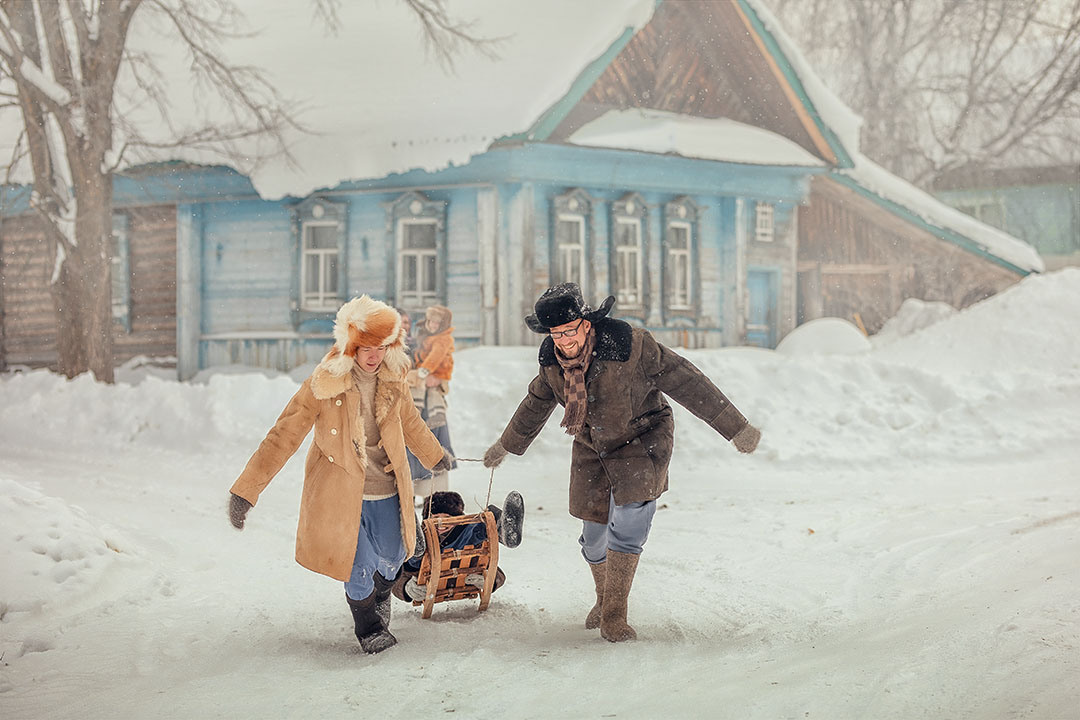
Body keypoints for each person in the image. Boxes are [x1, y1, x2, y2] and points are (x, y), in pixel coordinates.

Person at [482, 283, 761, 643]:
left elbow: (688, 381)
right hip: (591, 447)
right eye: (555, 333)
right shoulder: (552, 364)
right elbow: (535, 403)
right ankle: (604, 597)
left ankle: (614, 614)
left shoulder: (633, 347)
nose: (563, 340)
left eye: (569, 331)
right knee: (594, 540)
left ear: (587, 324)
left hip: (642, 439)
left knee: (628, 525)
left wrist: (736, 427)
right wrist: (506, 445)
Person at [227, 295, 453, 655]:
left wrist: (436, 456)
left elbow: (411, 423)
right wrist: (246, 491)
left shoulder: (394, 381)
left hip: (388, 490)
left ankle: (380, 592)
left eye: (381, 347)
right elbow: (283, 435)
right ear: (350, 344)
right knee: (357, 564)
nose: (374, 356)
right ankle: (367, 625)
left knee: (395, 557)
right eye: (365, 347)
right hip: (341, 494)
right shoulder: (325, 383)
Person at [391, 490, 525, 603]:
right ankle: (410, 531)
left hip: (461, 546)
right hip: (424, 558)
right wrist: (406, 588)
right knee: (411, 556)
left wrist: (489, 580)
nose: (441, 522)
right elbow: (397, 577)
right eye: (435, 516)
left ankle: (505, 529)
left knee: (483, 521)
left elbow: (496, 571)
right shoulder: (425, 535)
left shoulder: (465, 531)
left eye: (447, 517)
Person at [406, 305, 457, 501]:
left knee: (436, 443)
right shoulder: (406, 344)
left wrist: (431, 376)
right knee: (413, 444)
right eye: (430, 321)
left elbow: (437, 359)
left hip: (430, 399)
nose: (433, 325)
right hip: (413, 401)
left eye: (407, 323)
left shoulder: (439, 339)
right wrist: (418, 378)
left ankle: (436, 494)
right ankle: (410, 491)